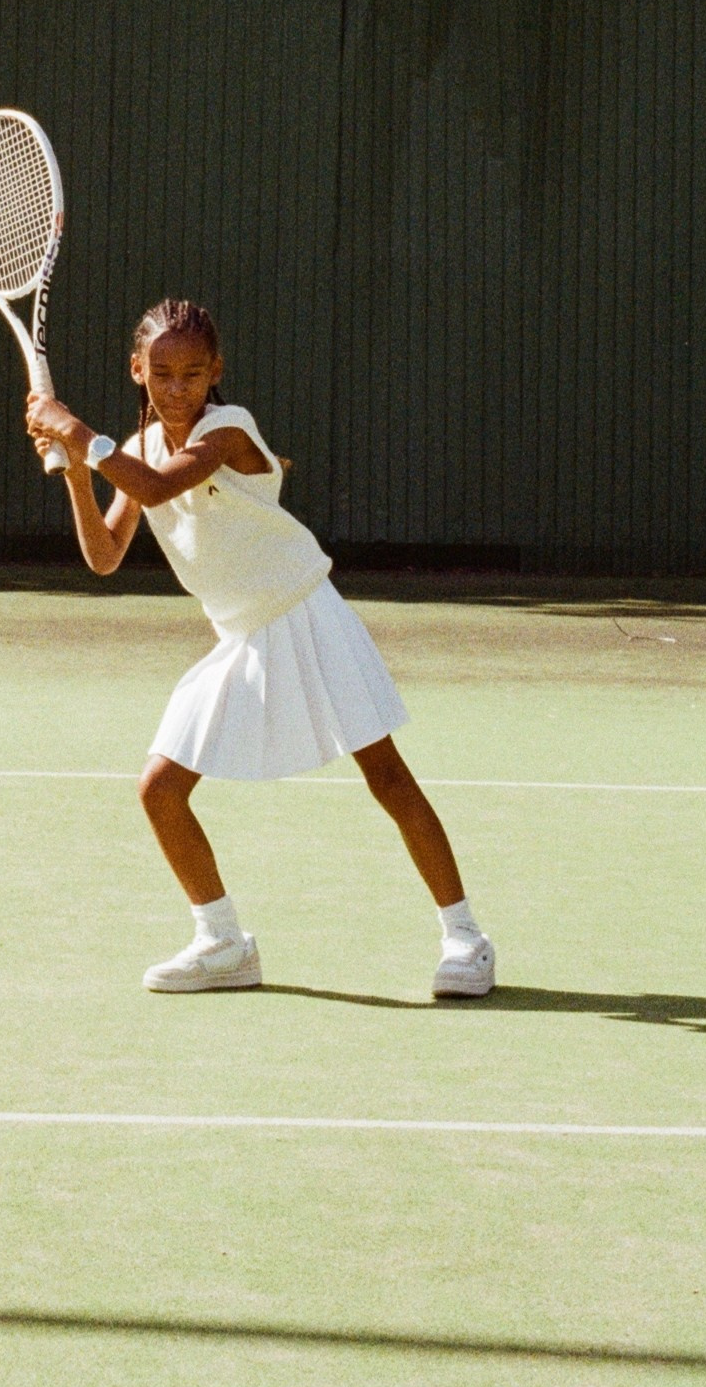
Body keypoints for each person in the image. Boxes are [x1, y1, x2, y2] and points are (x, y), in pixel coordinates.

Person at [28, 294, 495, 999]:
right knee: (160, 789)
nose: (177, 388)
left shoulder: (228, 429)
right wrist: (74, 473)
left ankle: (466, 938)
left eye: (191, 373)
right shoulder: (133, 451)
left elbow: (156, 488)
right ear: (136, 371)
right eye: (161, 374)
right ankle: (221, 943)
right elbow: (103, 555)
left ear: (215, 369)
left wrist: (78, 435)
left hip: (306, 616)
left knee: (387, 779)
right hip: (241, 638)